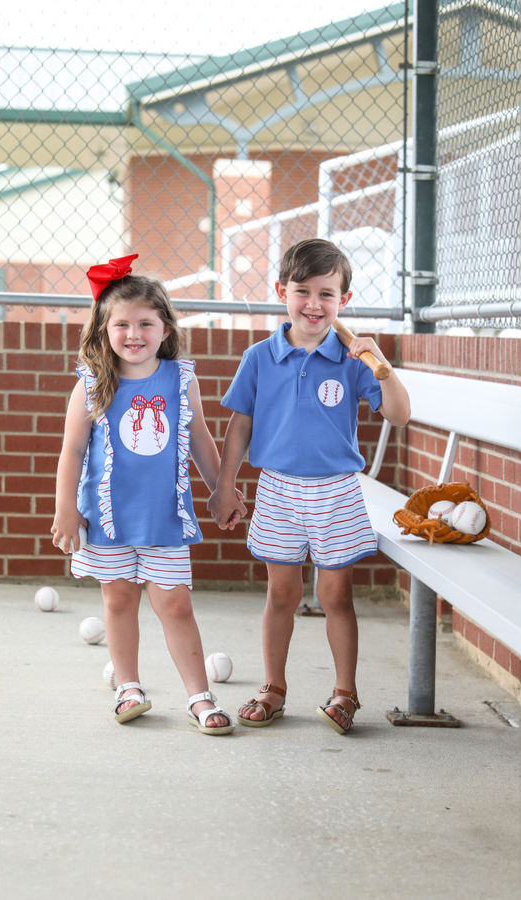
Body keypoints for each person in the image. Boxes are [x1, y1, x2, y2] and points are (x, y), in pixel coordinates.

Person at [208, 238, 411, 734]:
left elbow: (401, 415)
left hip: (336, 491)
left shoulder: (352, 359)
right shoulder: (260, 357)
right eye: (303, 291)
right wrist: (225, 485)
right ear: (282, 291)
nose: (314, 304)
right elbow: (240, 426)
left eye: (327, 294)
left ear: (343, 300)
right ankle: (274, 687)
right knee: (282, 594)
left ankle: (346, 692)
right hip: (278, 488)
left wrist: (378, 361)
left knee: (335, 594)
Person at [52, 254, 245, 735]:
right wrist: (66, 510)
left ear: (165, 328)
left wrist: (222, 489)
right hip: (108, 519)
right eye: (122, 324)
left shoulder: (180, 378)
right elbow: (72, 450)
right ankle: (129, 688)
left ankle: (199, 697)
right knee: (117, 603)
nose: (133, 334)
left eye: (145, 323)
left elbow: (198, 436)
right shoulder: (92, 384)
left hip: (163, 518)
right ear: (103, 329)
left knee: (175, 604)